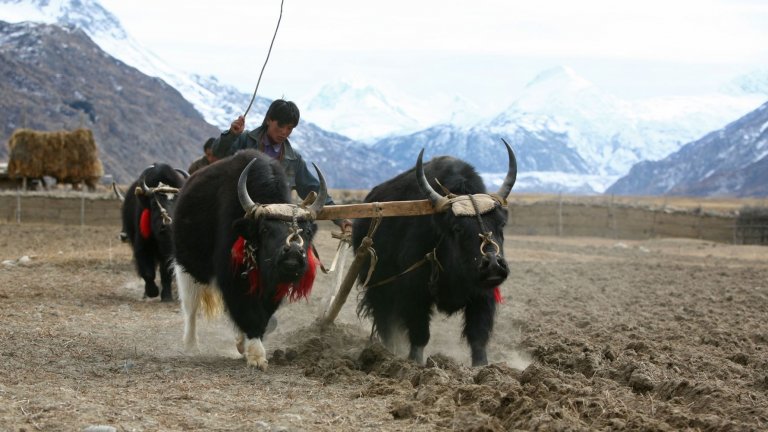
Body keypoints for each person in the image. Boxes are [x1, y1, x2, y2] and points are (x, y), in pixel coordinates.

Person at [212, 99, 352, 232]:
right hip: (239, 218)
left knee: (304, 254)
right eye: (280, 125)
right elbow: (218, 152)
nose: (284, 132)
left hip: (277, 225)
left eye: (289, 128)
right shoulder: (244, 140)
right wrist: (231, 135)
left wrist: (341, 219)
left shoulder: (294, 160)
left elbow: (313, 189)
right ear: (269, 120)